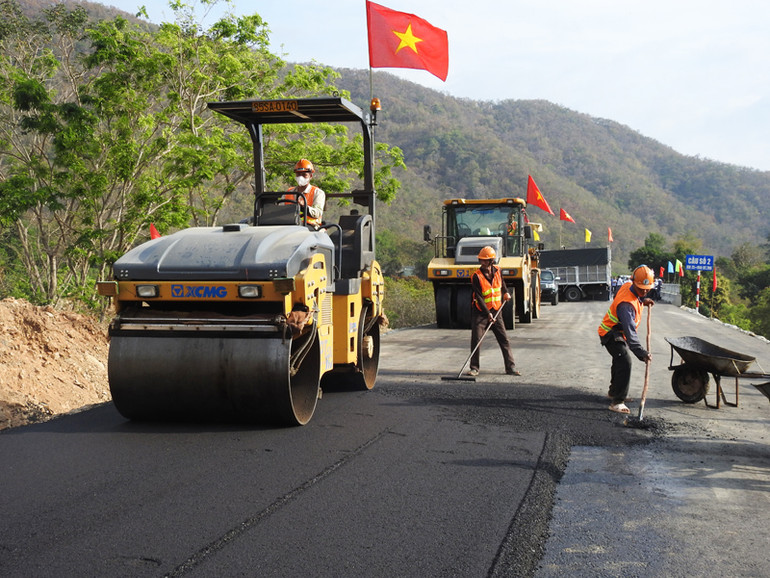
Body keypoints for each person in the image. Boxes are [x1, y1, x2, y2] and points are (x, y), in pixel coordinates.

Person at [598, 265, 655, 414]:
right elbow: (631, 334)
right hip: (609, 332)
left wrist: (643, 300)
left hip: (617, 331)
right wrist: (641, 353)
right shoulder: (626, 306)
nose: (643, 291)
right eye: (641, 288)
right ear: (634, 283)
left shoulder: (628, 285)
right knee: (624, 360)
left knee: (618, 359)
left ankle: (614, 392)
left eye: (646, 289)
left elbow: (636, 297)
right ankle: (617, 401)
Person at [466, 246, 520, 377]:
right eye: (481, 260)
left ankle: (510, 367)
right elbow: (478, 297)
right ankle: (474, 368)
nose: (483, 263)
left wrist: (506, 293)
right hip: (480, 312)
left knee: (504, 339)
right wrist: (487, 314)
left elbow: (502, 285)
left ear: (491, 261)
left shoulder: (498, 271)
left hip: (496, 310)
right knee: (477, 340)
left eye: (485, 260)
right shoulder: (476, 277)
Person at [284, 159, 325, 229]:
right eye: (298, 174)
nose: (301, 177)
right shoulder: (289, 192)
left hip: (310, 227)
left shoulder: (318, 193)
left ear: (311, 176)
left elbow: (317, 213)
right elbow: (280, 209)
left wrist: (304, 207)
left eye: (304, 175)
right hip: (290, 226)